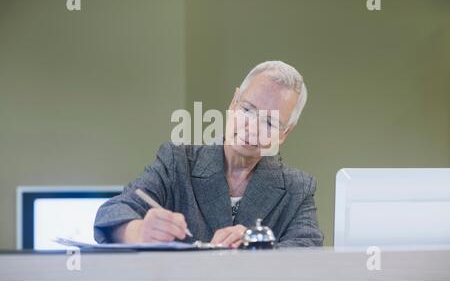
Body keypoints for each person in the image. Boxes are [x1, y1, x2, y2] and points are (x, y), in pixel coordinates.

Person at [94, 61, 323, 248]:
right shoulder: (177, 162)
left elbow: (309, 248)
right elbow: (112, 212)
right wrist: (139, 232)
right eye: (247, 110)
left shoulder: (297, 188)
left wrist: (255, 248)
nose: (251, 127)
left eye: (270, 122)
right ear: (233, 103)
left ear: (284, 133)